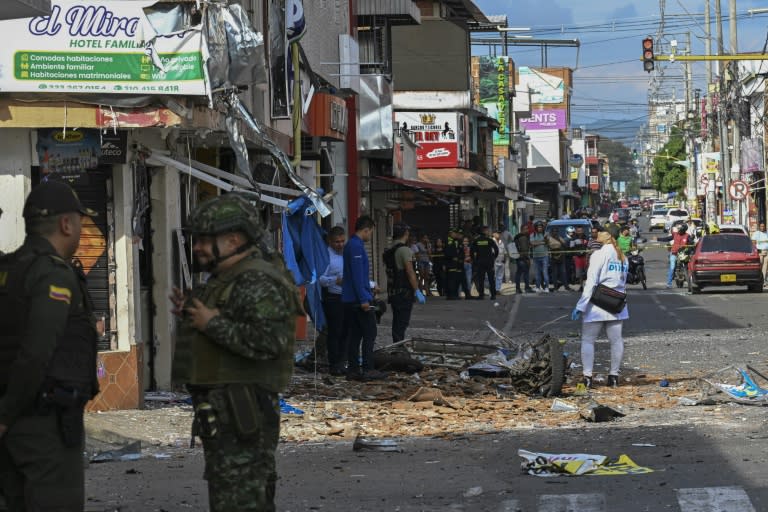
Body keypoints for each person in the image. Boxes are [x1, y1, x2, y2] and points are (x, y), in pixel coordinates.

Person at [170, 193, 302, 512]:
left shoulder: (256, 279)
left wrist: (210, 323)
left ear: (233, 240)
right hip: (227, 413)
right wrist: (195, 312)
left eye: (205, 240)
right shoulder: (229, 278)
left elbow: (268, 341)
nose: (198, 247)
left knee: (241, 500)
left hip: (244, 412)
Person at [0, 180, 99, 511]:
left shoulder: (9, 270)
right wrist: (7, 413)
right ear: (65, 224)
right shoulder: (53, 274)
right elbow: (37, 350)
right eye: (80, 223)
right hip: (45, 426)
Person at [570, 231, 629, 388]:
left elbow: (591, 283)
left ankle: (588, 377)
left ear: (602, 240)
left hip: (597, 304)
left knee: (588, 340)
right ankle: (614, 377)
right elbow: (624, 282)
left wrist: (580, 306)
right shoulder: (623, 257)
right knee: (616, 341)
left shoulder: (598, 255)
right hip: (616, 305)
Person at [342, 216, 386, 381]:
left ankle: (353, 369)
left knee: (356, 335)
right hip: (357, 300)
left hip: (351, 298)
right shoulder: (355, 247)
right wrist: (364, 299)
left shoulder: (353, 245)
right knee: (369, 333)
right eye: (371, 232)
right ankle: (368, 368)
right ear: (366, 229)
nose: (371, 235)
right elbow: (357, 276)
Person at [385, 223, 425, 343]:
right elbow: (410, 271)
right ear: (406, 234)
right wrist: (417, 290)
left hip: (393, 291)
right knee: (402, 323)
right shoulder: (405, 250)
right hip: (404, 292)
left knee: (397, 322)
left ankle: (397, 346)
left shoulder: (390, 249)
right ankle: (398, 349)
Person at [319, 226, 347, 375]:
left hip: (347, 297)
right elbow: (320, 279)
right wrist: (335, 280)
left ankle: (343, 362)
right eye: (337, 242)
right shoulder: (326, 257)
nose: (340, 244)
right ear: (330, 241)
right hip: (333, 298)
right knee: (335, 332)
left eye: (343, 241)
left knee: (345, 332)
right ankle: (334, 364)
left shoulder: (345, 254)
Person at [470, 226, 499, 300]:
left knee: (481, 279)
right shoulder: (489, 240)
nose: (488, 232)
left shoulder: (476, 241)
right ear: (484, 231)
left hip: (480, 262)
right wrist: (494, 257)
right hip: (489, 262)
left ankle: (481, 295)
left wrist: (474, 260)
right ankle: (493, 295)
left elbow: (471, 251)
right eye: (487, 230)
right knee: (491, 279)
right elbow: (496, 249)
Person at [666, 223, 691, 289]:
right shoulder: (675, 234)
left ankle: (691, 280)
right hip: (674, 253)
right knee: (672, 267)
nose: (678, 230)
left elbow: (691, 243)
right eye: (678, 229)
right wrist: (658, 239)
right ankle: (669, 283)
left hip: (683, 254)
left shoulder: (687, 236)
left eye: (680, 229)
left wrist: (692, 247)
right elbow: (667, 238)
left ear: (683, 230)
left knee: (689, 265)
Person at [547, 226, 571, 291]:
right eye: (554, 231)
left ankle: (566, 287)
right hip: (553, 257)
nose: (555, 232)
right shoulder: (549, 238)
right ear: (551, 232)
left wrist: (559, 239)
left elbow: (565, 245)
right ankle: (555, 287)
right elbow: (548, 246)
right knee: (554, 273)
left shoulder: (560, 237)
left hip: (561, 257)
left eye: (556, 231)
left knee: (563, 272)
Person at [444, 228, 464, 300]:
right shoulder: (449, 241)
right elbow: (448, 252)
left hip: (454, 263)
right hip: (450, 263)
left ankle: (453, 294)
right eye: (454, 233)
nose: (456, 234)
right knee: (451, 280)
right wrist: (453, 257)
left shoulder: (453, 241)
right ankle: (451, 295)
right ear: (451, 233)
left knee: (454, 279)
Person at [530, 222, 550, 293]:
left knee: (545, 272)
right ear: (536, 228)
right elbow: (532, 243)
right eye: (538, 227)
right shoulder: (532, 235)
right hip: (536, 257)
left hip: (545, 256)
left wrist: (546, 239)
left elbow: (548, 243)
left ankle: (547, 287)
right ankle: (538, 287)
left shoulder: (545, 234)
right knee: (537, 273)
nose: (540, 228)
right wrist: (542, 242)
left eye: (541, 227)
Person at [569, 225, 589, 291]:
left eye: (581, 231)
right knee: (579, 273)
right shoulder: (573, 238)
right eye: (578, 231)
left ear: (583, 231)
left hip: (586, 257)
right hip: (577, 258)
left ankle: (588, 285)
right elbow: (571, 248)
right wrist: (574, 255)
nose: (579, 232)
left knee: (587, 272)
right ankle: (581, 286)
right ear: (576, 231)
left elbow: (588, 246)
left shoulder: (586, 237)